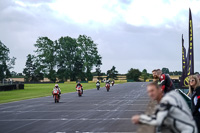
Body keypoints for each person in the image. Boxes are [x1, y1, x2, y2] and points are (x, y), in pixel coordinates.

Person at [132, 82, 197, 133]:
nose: (150, 94)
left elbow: (158, 120)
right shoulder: (169, 97)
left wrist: (140, 118)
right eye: (148, 92)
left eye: (152, 91)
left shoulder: (167, 100)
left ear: (160, 90)